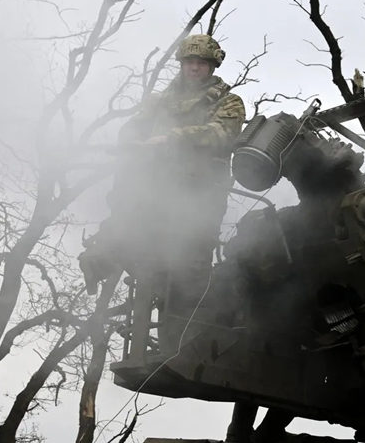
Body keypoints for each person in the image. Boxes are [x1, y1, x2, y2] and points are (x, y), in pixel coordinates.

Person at [78, 33, 246, 351]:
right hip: (154, 193)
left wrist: (173, 138)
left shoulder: (229, 102)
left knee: (190, 272)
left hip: (199, 200)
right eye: (189, 62)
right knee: (129, 241)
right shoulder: (159, 101)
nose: (194, 68)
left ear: (211, 66)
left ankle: (182, 346)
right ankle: (101, 261)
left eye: (200, 63)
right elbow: (132, 129)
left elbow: (220, 134)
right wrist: (131, 143)